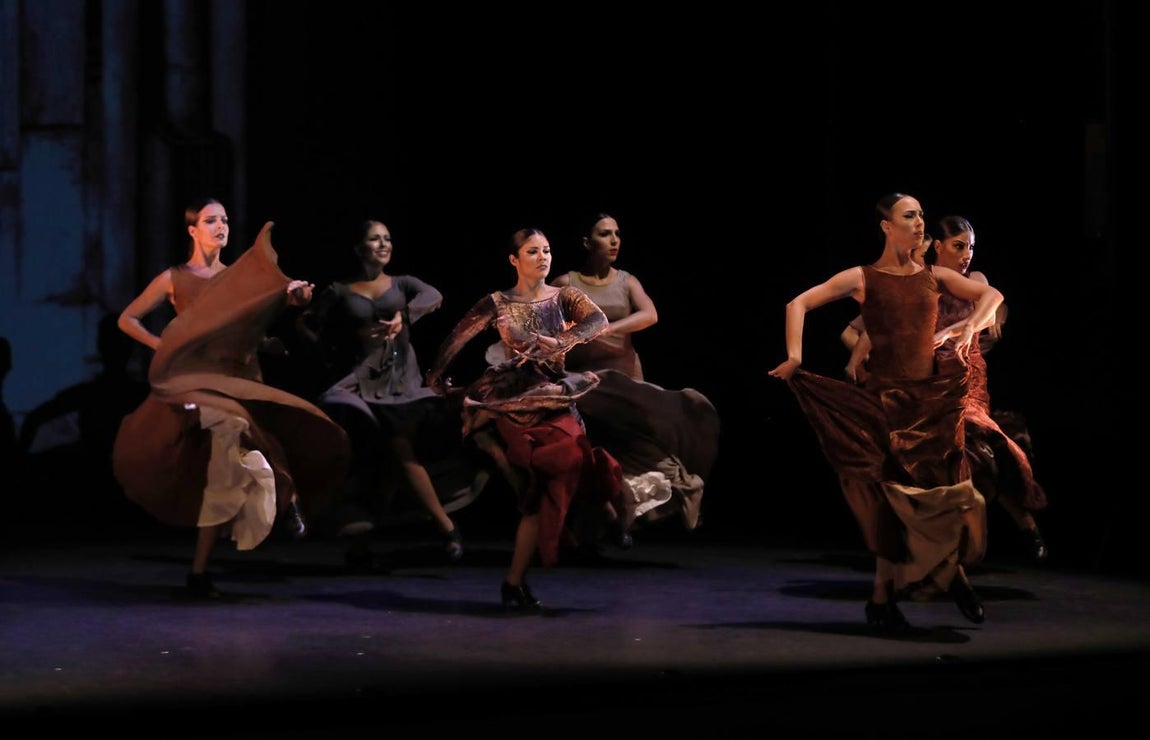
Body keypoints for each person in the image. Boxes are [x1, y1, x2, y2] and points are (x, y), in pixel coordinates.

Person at [768, 192, 1004, 632]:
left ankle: (942, 578)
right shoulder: (863, 277)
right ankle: (890, 596)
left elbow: (992, 294)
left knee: (941, 497)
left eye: (921, 215)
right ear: (886, 226)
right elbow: (796, 304)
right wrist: (795, 357)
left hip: (929, 406)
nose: (919, 223)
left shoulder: (934, 276)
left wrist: (969, 326)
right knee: (892, 504)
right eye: (909, 216)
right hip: (885, 406)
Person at [112, 197, 350, 599]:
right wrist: (164, 347)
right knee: (234, 425)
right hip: (195, 380)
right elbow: (127, 319)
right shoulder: (175, 277)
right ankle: (285, 489)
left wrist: (291, 304)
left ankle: (200, 572)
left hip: (237, 375)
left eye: (224, 219)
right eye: (211, 220)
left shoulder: (237, 279)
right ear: (193, 230)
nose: (220, 226)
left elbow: (254, 321)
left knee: (223, 472)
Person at [425, 227, 623, 611]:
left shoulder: (564, 296)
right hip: (515, 404)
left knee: (574, 461)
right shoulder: (497, 303)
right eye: (533, 251)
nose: (543, 257)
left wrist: (563, 341)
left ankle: (604, 518)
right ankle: (515, 582)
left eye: (546, 250)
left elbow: (597, 321)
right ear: (514, 260)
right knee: (536, 490)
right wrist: (437, 377)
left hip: (555, 398)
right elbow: (457, 337)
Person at [840, 216, 1048, 563]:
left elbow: (992, 306)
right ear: (938, 248)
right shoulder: (918, 284)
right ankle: (931, 543)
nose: (967, 254)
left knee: (985, 444)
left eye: (971, 247)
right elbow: (865, 330)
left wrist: (970, 326)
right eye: (959, 246)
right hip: (930, 381)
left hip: (967, 381)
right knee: (931, 456)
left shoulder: (974, 279)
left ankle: (1025, 525)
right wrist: (869, 360)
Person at [296, 218, 484, 566]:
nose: (383, 244)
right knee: (377, 458)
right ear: (359, 248)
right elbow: (307, 325)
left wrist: (404, 315)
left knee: (398, 450)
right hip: (362, 382)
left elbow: (434, 296)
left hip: (401, 383)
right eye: (374, 239)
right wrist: (341, 345)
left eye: (387, 238)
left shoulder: (402, 283)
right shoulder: (341, 290)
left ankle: (444, 527)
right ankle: (370, 542)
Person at [546, 212, 720, 548]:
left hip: (622, 382)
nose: (614, 240)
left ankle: (680, 489)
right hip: (584, 382)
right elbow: (545, 322)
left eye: (617, 233)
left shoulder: (626, 282)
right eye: (604, 234)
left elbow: (650, 314)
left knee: (637, 449)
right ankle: (601, 526)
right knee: (590, 451)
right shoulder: (567, 283)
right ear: (587, 242)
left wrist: (605, 328)